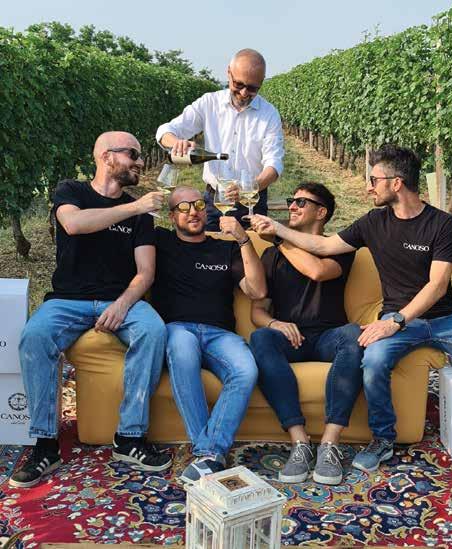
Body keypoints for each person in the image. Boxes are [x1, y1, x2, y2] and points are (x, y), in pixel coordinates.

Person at [251, 144, 452, 490]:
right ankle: (383, 439)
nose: (368, 188)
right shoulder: (373, 222)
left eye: (374, 180)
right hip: (399, 320)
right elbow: (323, 247)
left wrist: (396, 321)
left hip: (444, 320)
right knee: (374, 360)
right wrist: (276, 229)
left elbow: (437, 286)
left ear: (397, 183)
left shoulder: (443, 224)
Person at [10, 132, 172, 489]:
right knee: (35, 336)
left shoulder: (141, 216)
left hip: (120, 299)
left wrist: (122, 304)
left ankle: (129, 437)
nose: (140, 162)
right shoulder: (72, 191)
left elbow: (145, 272)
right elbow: (74, 224)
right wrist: (134, 208)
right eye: (133, 154)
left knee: (153, 330)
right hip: (67, 299)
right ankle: (45, 444)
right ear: (106, 156)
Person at [249, 182, 363, 485]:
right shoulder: (271, 256)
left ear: (321, 212)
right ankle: (299, 442)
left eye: (301, 202)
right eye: (292, 200)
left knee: (354, 335)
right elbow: (257, 311)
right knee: (260, 338)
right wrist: (274, 324)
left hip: (328, 337)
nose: (292, 206)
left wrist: (280, 238)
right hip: (291, 339)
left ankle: (329, 444)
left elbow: (317, 271)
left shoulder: (339, 247)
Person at [152, 186, 266, 483]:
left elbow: (257, 291)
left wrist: (243, 238)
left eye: (199, 205)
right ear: (171, 216)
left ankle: (207, 453)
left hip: (220, 334)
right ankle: (210, 452)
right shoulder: (160, 241)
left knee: (246, 370)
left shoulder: (225, 248)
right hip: (179, 328)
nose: (193, 211)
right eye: (183, 207)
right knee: (182, 351)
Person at [156, 48, 284, 231]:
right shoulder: (209, 103)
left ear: (262, 82)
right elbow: (165, 131)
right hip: (214, 201)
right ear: (228, 73)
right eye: (238, 84)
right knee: (210, 247)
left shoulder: (269, 114)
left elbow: (274, 163)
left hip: (251, 203)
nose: (244, 93)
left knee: (252, 248)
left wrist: (249, 188)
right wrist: (176, 143)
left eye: (252, 88)